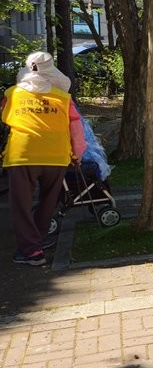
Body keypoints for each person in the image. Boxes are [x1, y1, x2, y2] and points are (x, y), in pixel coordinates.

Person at [2, 51, 86, 266]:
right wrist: (77, 154)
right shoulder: (63, 98)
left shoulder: (11, 94)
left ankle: (31, 251)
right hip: (56, 156)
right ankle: (37, 241)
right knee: (48, 202)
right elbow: (76, 128)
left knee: (21, 205)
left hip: (23, 156)